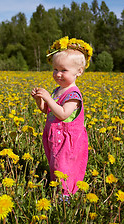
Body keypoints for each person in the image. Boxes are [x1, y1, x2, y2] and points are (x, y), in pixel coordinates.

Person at [31, 36, 93, 196]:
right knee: (55, 164)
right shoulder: (57, 90)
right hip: (55, 137)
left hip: (68, 140)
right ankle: (57, 188)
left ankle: (65, 195)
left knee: (65, 167)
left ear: (79, 72)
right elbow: (48, 111)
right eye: (55, 69)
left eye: (63, 70)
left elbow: (64, 114)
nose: (58, 74)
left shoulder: (73, 94)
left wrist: (49, 98)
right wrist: (40, 100)